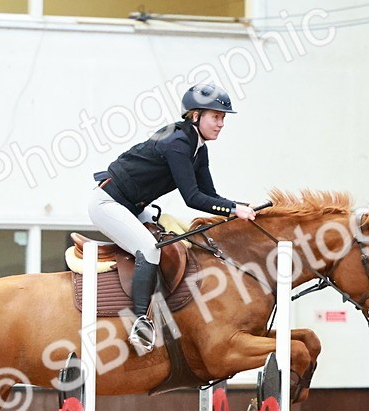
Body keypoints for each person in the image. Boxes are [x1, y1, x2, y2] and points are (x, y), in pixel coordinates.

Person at [88, 83, 257, 355]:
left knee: (173, 244)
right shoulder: (178, 144)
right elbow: (192, 198)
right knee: (149, 251)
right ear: (195, 115)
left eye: (223, 118)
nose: (221, 123)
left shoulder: (198, 148)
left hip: (134, 206)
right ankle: (139, 322)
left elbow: (209, 195)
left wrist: (240, 207)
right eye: (216, 116)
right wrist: (234, 208)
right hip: (108, 203)